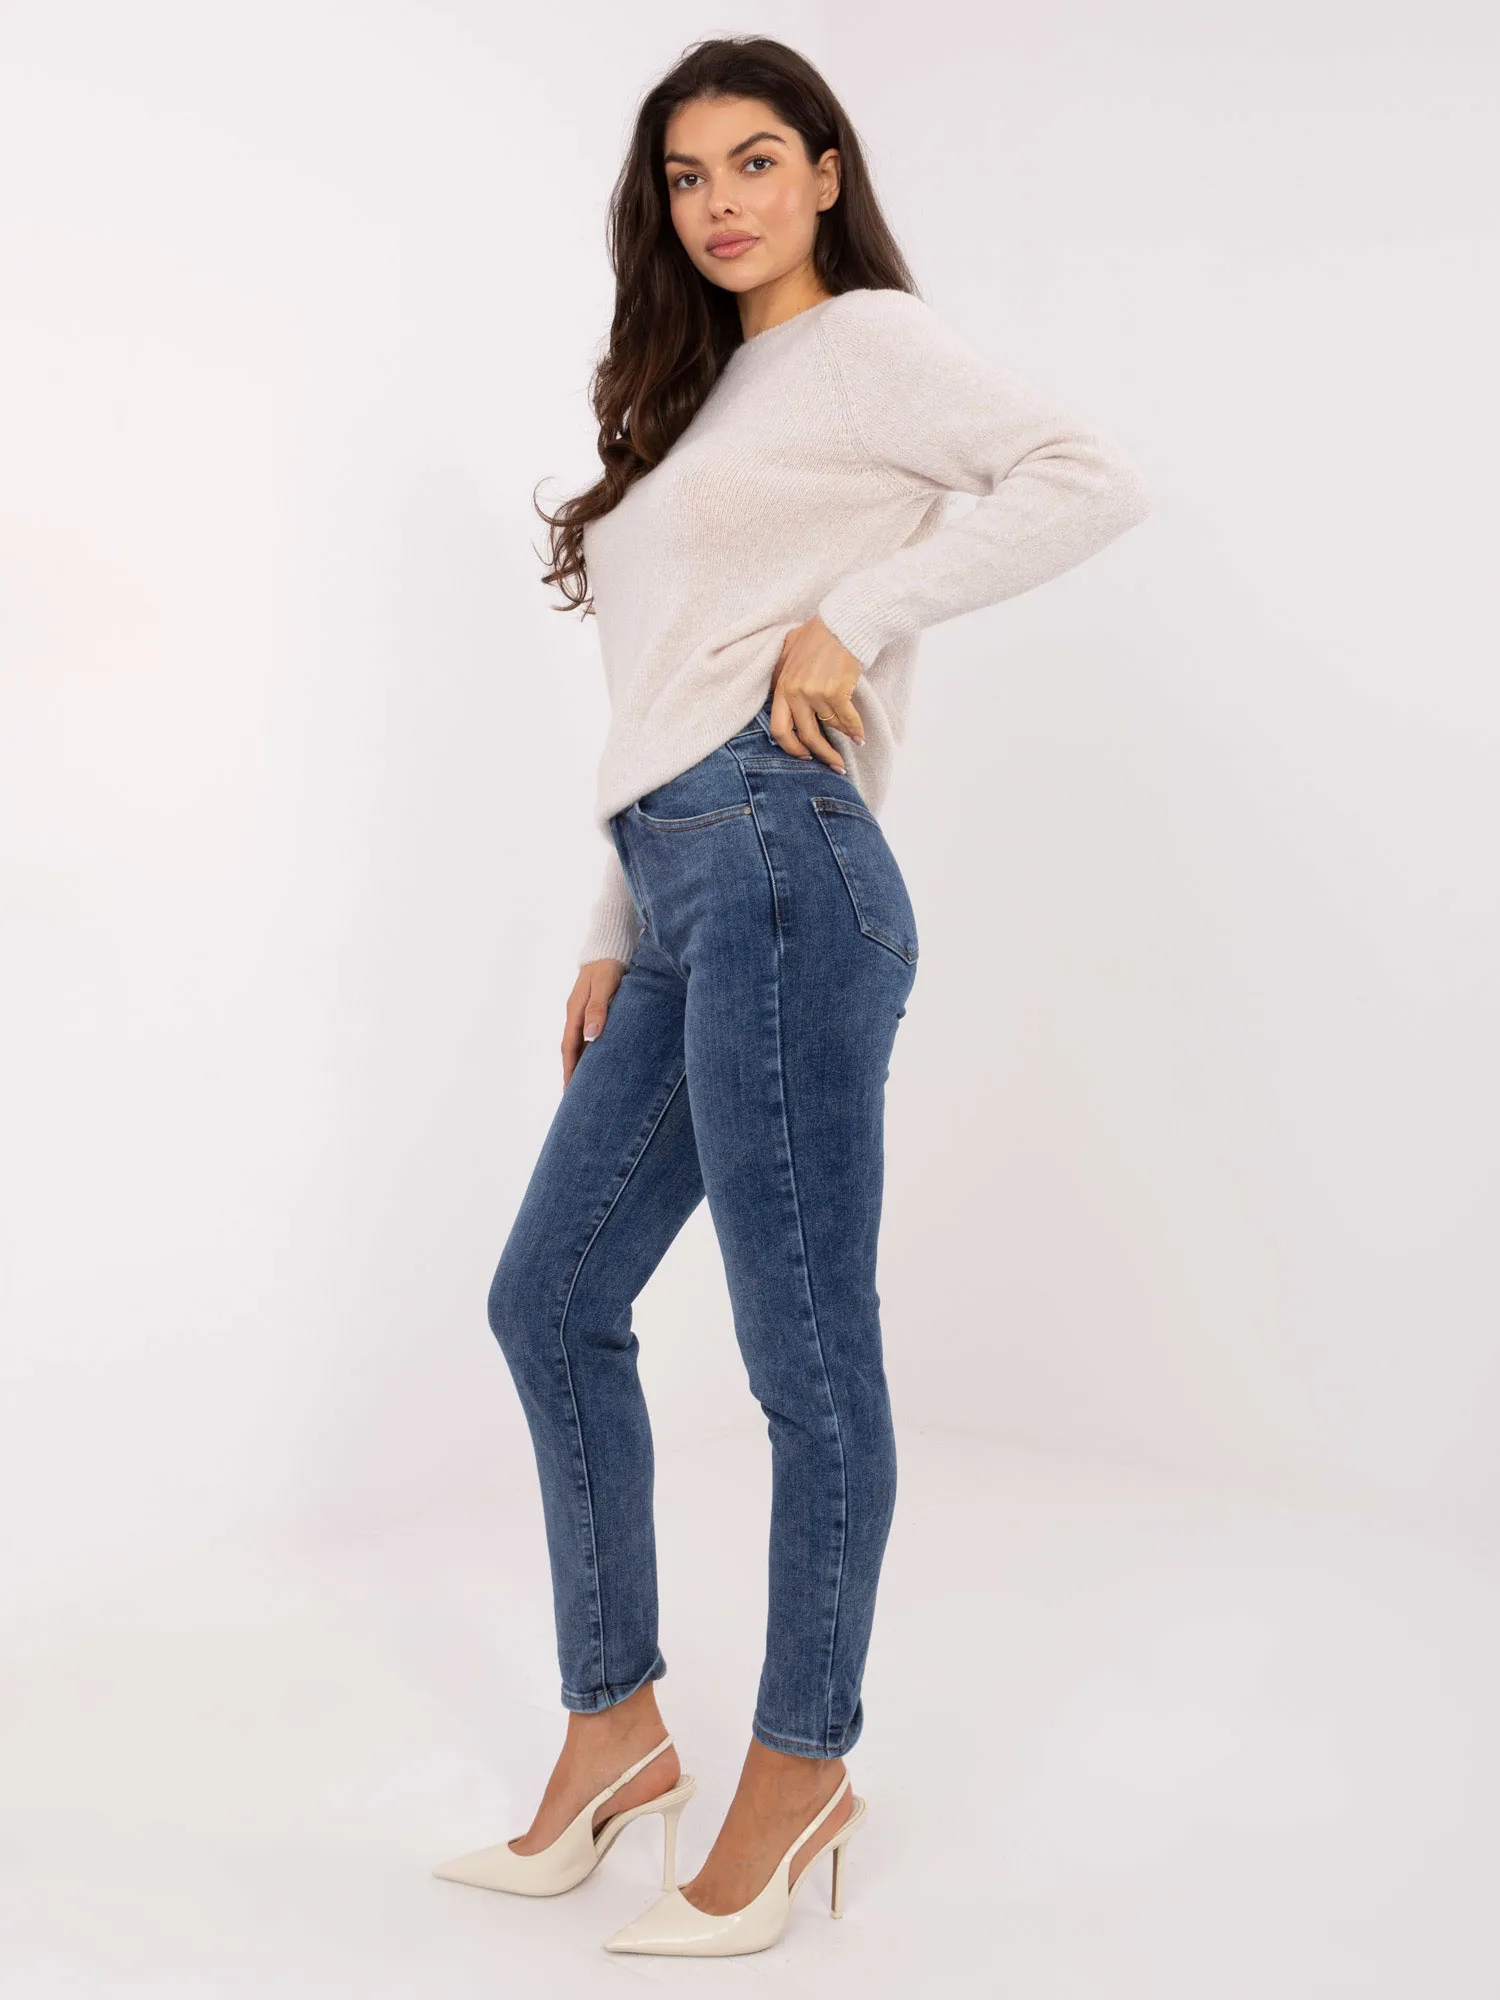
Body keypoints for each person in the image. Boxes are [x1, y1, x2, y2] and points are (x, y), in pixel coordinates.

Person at [432, 34, 1151, 1957]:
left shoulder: (866, 348)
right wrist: (610, 921)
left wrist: (864, 612)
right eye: (687, 176)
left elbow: (1088, 476)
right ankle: (615, 1733)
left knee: (802, 1354)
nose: (722, 202)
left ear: (827, 171)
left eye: (757, 160)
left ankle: (803, 1758)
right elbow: (673, 676)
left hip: (784, 869)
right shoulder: (700, 397)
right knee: (549, 1298)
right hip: (685, 883)